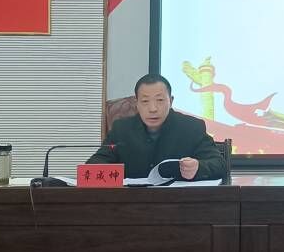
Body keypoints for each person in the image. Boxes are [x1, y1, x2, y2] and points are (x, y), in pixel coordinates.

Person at [87, 74, 226, 181]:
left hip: (178, 203)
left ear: (171, 101)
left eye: (160, 100)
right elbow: (93, 165)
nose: (153, 108)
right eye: (145, 101)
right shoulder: (121, 129)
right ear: (137, 103)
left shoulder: (191, 127)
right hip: (130, 203)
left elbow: (219, 164)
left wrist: (198, 167)